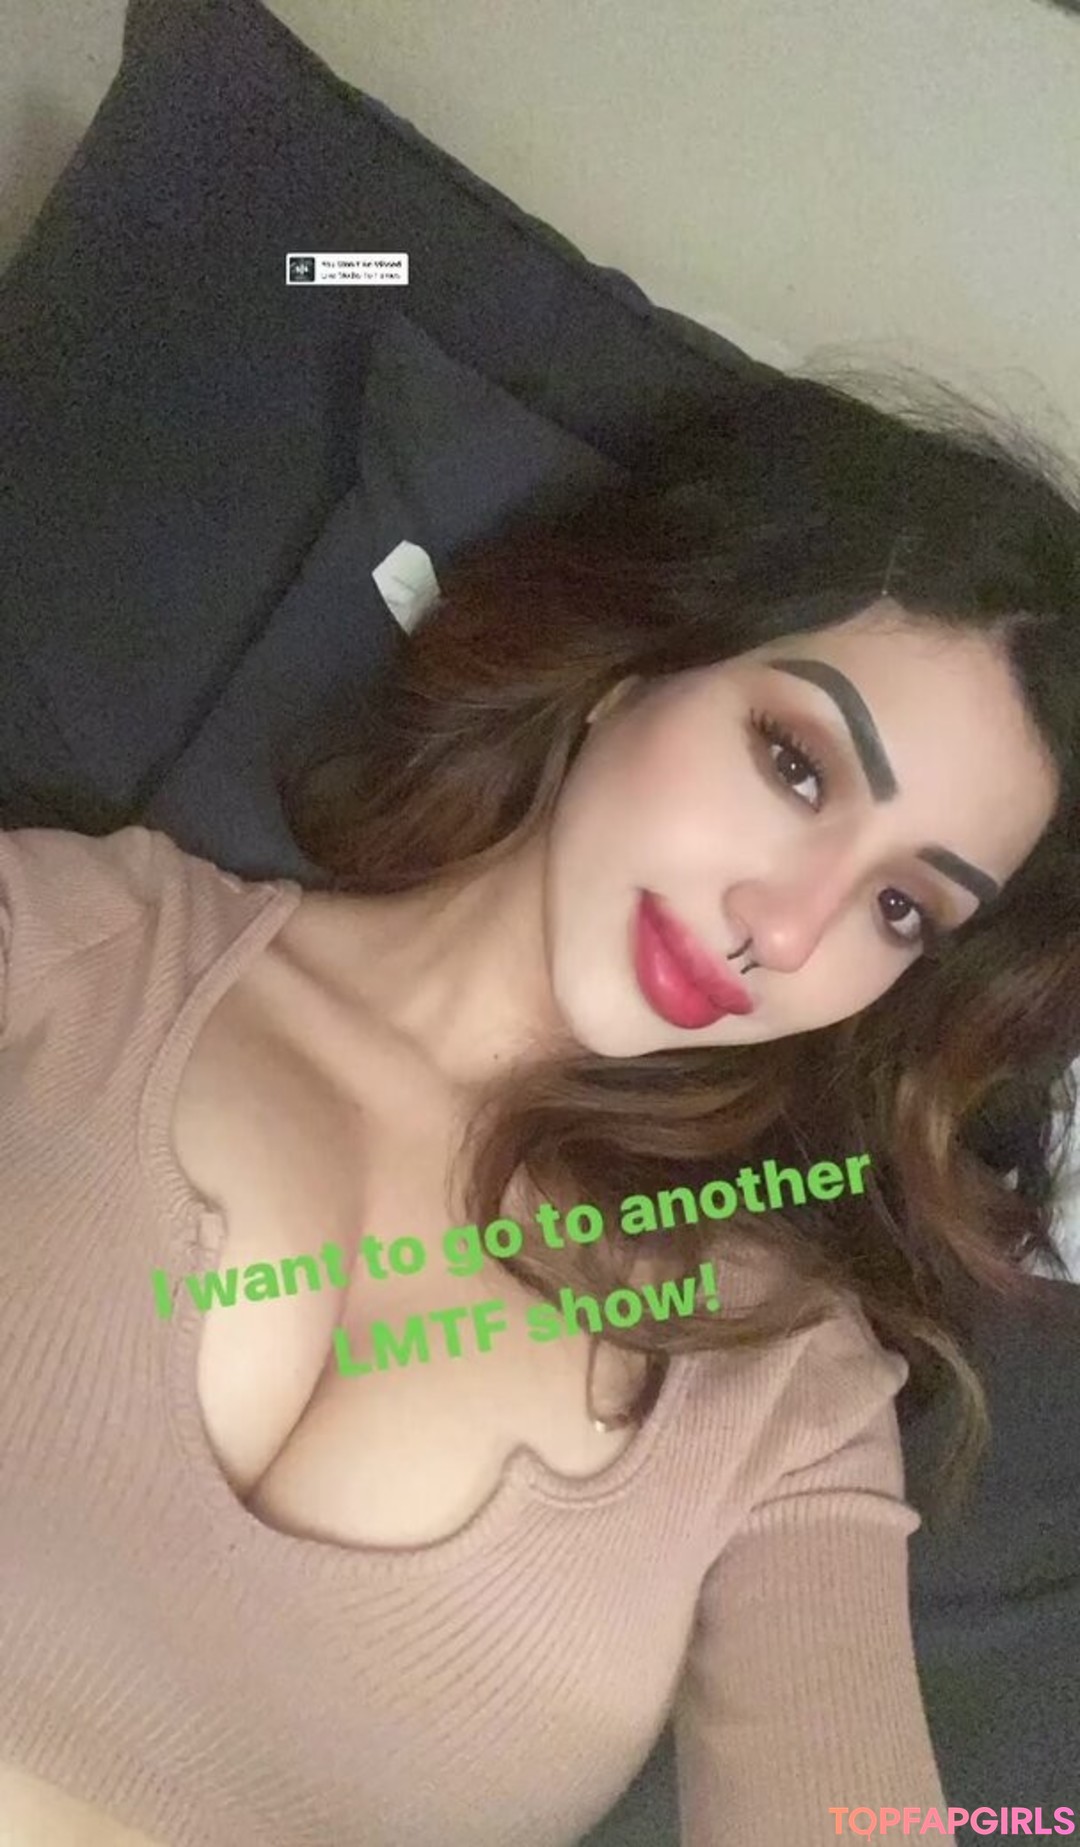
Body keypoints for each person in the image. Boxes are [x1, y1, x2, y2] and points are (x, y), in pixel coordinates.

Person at [1, 365, 1079, 1847]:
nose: (786, 928)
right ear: (633, 672)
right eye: (794, 764)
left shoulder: (780, 1388)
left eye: (901, 908)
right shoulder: (70, 946)